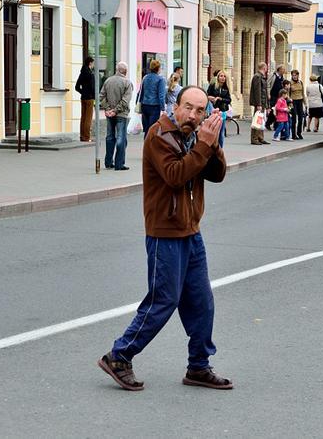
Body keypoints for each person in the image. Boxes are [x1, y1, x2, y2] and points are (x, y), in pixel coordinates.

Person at [98, 85, 232, 392]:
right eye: (188, 108)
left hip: (190, 231)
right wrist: (203, 146)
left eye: (201, 111)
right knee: (163, 301)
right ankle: (119, 356)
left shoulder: (196, 136)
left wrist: (214, 144)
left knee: (201, 303)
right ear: (176, 105)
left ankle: (199, 365)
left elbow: (217, 174)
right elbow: (175, 175)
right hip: (165, 232)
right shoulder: (159, 135)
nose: (193, 115)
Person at [99, 62, 133, 171]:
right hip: (121, 114)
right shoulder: (127, 83)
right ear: (125, 71)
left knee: (110, 137)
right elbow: (125, 100)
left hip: (110, 114)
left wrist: (108, 108)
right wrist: (115, 110)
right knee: (121, 138)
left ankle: (108, 162)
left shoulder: (108, 81)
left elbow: (101, 96)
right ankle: (119, 164)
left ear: (116, 69)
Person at [138, 59, 166, 139]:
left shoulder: (145, 78)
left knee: (146, 129)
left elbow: (141, 92)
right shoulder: (160, 79)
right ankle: (150, 148)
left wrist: (140, 104)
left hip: (144, 105)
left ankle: (146, 147)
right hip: (154, 106)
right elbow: (161, 95)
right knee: (152, 129)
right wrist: (163, 108)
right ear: (158, 68)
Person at [206, 70, 231, 147]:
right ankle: (212, 148)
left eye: (224, 76)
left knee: (221, 131)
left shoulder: (226, 88)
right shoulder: (213, 86)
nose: (222, 78)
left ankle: (220, 148)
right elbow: (207, 95)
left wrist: (221, 99)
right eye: (221, 76)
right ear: (218, 77)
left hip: (222, 111)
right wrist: (211, 98)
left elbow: (229, 100)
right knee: (213, 130)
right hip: (213, 110)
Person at [74, 56, 96, 142]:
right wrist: (94, 96)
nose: (93, 65)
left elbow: (77, 87)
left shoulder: (82, 73)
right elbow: (92, 87)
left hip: (83, 98)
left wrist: (83, 92)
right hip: (90, 98)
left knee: (83, 117)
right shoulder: (90, 74)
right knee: (88, 118)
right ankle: (87, 137)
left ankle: (82, 136)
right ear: (90, 63)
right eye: (93, 63)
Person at [249, 62, 270, 145]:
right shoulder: (257, 77)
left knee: (261, 120)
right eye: (266, 68)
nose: (267, 69)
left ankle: (260, 137)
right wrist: (259, 104)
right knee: (257, 121)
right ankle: (254, 138)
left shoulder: (262, 77)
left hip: (263, 102)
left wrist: (266, 104)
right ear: (264, 68)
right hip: (260, 103)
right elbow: (257, 91)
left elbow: (263, 91)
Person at [286, 69, 306, 140]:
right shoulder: (290, 83)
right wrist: (289, 101)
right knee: (294, 119)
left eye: (295, 75)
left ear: (298, 75)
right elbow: (287, 93)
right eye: (293, 75)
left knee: (301, 118)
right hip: (293, 101)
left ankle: (299, 133)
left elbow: (303, 93)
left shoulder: (300, 82)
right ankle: (293, 135)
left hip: (300, 101)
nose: (294, 76)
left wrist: (305, 103)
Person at [267, 65, 286, 130]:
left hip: (279, 96)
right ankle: (268, 123)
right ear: (279, 70)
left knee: (278, 111)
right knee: (273, 110)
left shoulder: (282, 77)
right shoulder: (273, 75)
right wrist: (268, 93)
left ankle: (276, 125)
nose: (284, 71)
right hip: (273, 95)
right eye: (283, 69)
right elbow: (268, 84)